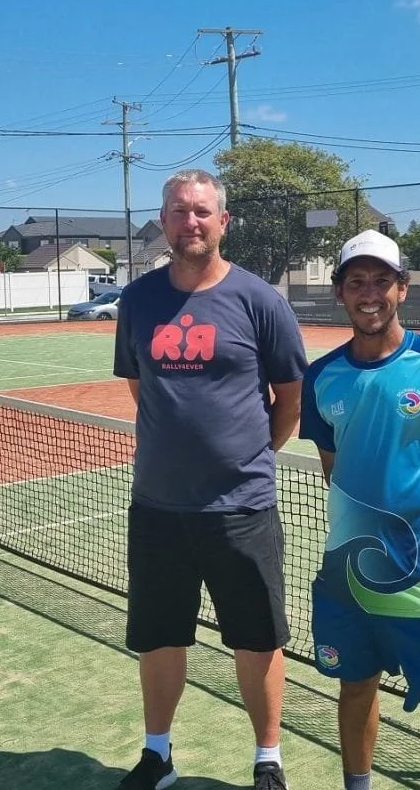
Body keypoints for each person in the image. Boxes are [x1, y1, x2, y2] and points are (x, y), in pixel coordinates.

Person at [112, 168, 308, 790]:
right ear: (163, 221)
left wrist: (245, 456)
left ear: (223, 222)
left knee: (255, 640)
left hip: (240, 509)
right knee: (160, 637)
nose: (189, 222)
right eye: (178, 211)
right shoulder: (138, 301)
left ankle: (267, 757)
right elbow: (143, 388)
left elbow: (290, 400)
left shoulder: (261, 301)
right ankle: (157, 754)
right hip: (158, 508)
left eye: (201, 212)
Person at [298, 229, 420, 790]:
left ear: (403, 289)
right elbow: (334, 468)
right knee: (354, 686)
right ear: (339, 292)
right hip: (346, 570)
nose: (369, 293)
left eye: (381, 281)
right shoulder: (322, 376)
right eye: (356, 281)